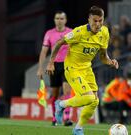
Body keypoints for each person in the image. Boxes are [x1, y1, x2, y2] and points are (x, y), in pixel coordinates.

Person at [46, 6, 119, 135]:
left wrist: (110, 62)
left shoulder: (105, 32)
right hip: (72, 68)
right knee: (89, 97)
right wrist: (51, 62)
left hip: (86, 68)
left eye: (100, 21)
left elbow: (103, 56)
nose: (98, 24)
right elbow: (59, 42)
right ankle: (61, 104)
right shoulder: (79, 32)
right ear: (89, 19)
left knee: (94, 101)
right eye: (95, 21)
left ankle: (78, 128)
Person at [37, 10, 73, 126]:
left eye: (62, 18)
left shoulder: (71, 33)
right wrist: (40, 68)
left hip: (67, 65)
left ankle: (67, 118)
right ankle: (55, 117)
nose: (59, 21)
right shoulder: (49, 33)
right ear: (54, 20)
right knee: (55, 94)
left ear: (65, 20)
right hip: (54, 65)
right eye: (57, 18)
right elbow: (43, 52)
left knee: (67, 90)